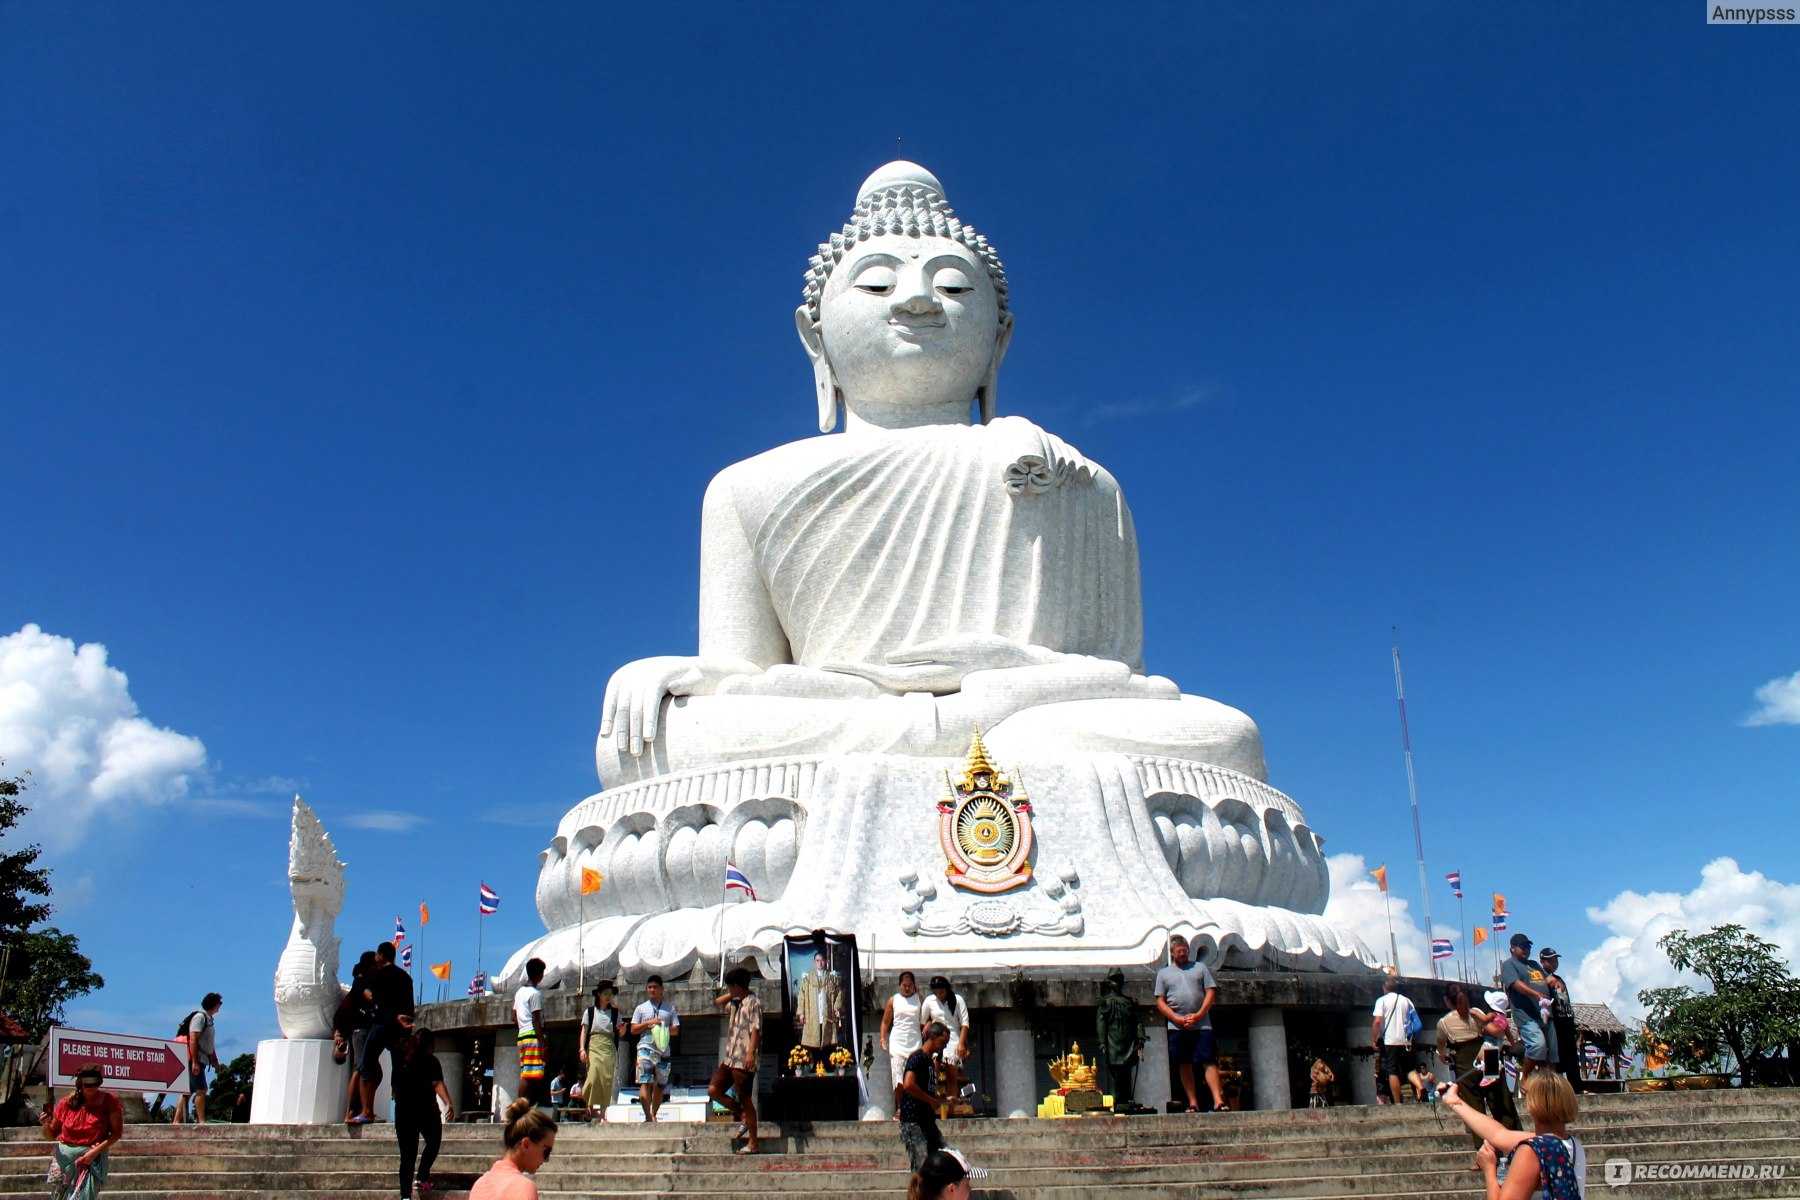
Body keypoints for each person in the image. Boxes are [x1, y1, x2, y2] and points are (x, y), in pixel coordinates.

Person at [1441, 1068, 1586, 1199]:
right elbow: (1498, 1134)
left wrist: (1489, 1169)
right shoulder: (1572, 1144)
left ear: (1532, 1105)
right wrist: (1455, 1102)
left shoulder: (1531, 1151)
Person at [1436, 981, 1520, 1138]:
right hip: (1490, 1053)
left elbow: (1441, 1045)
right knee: (1502, 1104)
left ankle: (1484, 1149)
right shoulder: (1476, 1012)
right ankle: (1515, 1142)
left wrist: (1442, 1055)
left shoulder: (1443, 1023)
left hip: (1464, 1061)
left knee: (1475, 1110)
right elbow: (1494, 1029)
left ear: (1447, 1000)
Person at [1154, 934, 1224, 1112]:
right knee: (1184, 1062)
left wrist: (1200, 1014)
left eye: (1185, 951)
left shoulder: (1200, 967)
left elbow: (1210, 992)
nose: (1183, 954)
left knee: (1208, 1059)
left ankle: (1218, 1100)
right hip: (1177, 1025)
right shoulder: (1163, 974)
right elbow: (1160, 1001)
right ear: (1172, 953)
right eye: (1179, 952)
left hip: (1202, 1024)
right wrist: (1175, 1018)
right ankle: (1193, 1102)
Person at [353, 941, 415, 1124]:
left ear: (380, 955)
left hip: (381, 1024)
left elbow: (359, 982)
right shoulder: (405, 977)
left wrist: (365, 991)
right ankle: (403, 1113)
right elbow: (409, 1008)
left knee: (366, 1066)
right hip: (400, 1029)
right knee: (399, 1072)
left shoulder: (378, 974)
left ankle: (366, 1111)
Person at [40, 1065, 122, 1200]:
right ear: (80, 1083)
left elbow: (116, 1134)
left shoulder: (109, 1102)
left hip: (90, 1158)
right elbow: (50, 1135)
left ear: (99, 1082)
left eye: (94, 1083)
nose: (91, 1087)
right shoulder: (66, 1103)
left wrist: (93, 1153)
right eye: (87, 1084)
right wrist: (45, 1124)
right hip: (64, 1160)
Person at [392, 1027, 454, 1200]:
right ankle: (422, 1175)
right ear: (429, 1045)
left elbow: (394, 1089)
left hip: (404, 1112)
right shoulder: (430, 1060)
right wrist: (448, 1103)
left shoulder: (401, 1059)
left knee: (407, 1156)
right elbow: (437, 1083)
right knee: (433, 1142)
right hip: (426, 1110)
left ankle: (406, 1195)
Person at [707, 966, 763, 1154]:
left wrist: (750, 1053)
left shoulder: (753, 1002)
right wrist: (732, 995)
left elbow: (756, 1030)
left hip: (744, 1057)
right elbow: (717, 1002)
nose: (729, 990)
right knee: (714, 1089)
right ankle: (742, 1115)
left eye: (731, 986)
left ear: (739, 986)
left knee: (746, 1098)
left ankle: (753, 1142)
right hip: (730, 1056)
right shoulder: (736, 1001)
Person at [471, 1097, 557, 1200]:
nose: (546, 1160)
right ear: (526, 1145)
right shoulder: (524, 1187)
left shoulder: (480, 1184)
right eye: (546, 1152)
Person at [1501, 933, 1556, 1081]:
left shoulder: (1534, 964)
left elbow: (1548, 977)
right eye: (1522, 946)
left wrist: (1554, 981)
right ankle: (1524, 1076)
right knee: (1537, 1045)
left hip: (1544, 1015)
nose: (1526, 949)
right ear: (1512, 948)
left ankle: (1548, 1087)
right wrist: (1536, 994)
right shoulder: (1509, 965)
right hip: (1526, 1016)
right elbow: (1516, 984)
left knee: (1550, 1056)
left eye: (1528, 946)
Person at [898, 1022, 951, 1172]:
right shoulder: (917, 1057)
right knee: (921, 1166)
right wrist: (931, 1100)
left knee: (940, 1160)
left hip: (927, 1121)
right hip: (914, 1121)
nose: (944, 1047)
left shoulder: (930, 1061)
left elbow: (929, 1093)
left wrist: (944, 1101)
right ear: (933, 1037)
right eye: (943, 1042)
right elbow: (908, 1084)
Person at [334, 951, 378, 1122]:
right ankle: (352, 1111)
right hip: (361, 1030)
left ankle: (364, 1108)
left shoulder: (360, 981)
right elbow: (368, 997)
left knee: (372, 1072)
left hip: (363, 1030)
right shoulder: (362, 982)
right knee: (360, 1069)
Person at [630, 975, 680, 1122]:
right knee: (644, 1081)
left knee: (660, 1085)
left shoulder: (669, 1008)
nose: (652, 990)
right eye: (649, 987)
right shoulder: (641, 1008)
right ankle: (647, 1116)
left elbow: (676, 1030)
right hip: (645, 1047)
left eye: (655, 987)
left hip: (663, 1049)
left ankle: (654, 1114)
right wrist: (649, 1023)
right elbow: (633, 1029)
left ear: (661, 989)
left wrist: (662, 1026)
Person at [920, 977, 971, 1114]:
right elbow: (923, 1021)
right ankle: (933, 1102)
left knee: (952, 1071)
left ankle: (952, 1102)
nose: (939, 994)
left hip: (954, 1037)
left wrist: (961, 1044)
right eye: (936, 992)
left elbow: (964, 1023)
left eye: (941, 991)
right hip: (936, 1037)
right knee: (933, 1070)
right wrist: (929, 1023)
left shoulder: (958, 1000)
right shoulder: (929, 1001)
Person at [1094, 968, 1142, 1112]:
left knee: (1126, 1073)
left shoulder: (1128, 1002)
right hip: (1113, 1043)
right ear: (1110, 982)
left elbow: (1137, 1021)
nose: (1117, 983)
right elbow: (1101, 1023)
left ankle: (1126, 1101)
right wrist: (1102, 1042)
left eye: (1119, 980)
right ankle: (1115, 1101)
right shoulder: (1106, 1002)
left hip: (1128, 1043)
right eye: (1115, 980)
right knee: (1115, 1073)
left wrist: (1140, 1037)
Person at [879, 971, 925, 1115]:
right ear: (899, 985)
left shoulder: (919, 999)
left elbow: (926, 1019)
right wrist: (882, 1038)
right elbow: (886, 1022)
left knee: (913, 1079)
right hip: (897, 1043)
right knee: (898, 1078)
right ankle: (900, 1107)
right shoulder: (893, 1000)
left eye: (909, 985)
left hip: (915, 1043)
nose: (906, 988)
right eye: (904, 985)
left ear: (913, 985)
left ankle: (915, 1108)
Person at [173, 993, 223, 1124]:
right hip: (195, 1059)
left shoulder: (209, 1019)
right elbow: (193, 1039)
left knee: (187, 1091)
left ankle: (176, 1121)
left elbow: (209, 1044)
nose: (220, 1006)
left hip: (201, 1058)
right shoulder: (200, 1018)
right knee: (201, 1090)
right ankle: (201, 1121)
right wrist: (195, 1061)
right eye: (220, 1003)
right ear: (214, 1004)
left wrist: (215, 1061)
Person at [579, 980, 625, 1121]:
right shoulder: (590, 1011)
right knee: (593, 1076)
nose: (608, 996)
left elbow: (621, 1032)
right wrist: (582, 1049)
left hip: (609, 1046)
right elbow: (584, 1031)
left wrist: (623, 1029)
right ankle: (590, 1107)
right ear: (598, 994)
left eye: (610, 994)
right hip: (594, 1045)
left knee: (606, 1080)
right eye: (605, 993)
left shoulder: (615, 1012)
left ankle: (603, 1113)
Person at [1370, 975, 1419, 1106]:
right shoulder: (1407, 1000)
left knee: (1392, 1071)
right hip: (1406, 1040)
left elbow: (1377, 1021)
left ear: (1384, 988)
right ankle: (1421, 1087)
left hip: (1390, 1041)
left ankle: (1397, 1102)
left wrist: (1374, 1039)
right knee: (1410, 1069)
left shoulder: (1381, 1000)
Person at [1539, 947, 1581, 1091]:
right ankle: (1558, 1090)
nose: (1554, 962)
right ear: (1543, 961)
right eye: (1551, 960)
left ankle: (1576, 1088)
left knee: (1572, 1058)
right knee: (1557, 1059)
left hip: (1567, 1021)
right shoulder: (1541, 979)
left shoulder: (1559, 979)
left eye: (1555, 959)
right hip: (1554, 1024)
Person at [514, 959, 547, 1106]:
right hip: (532, 1036)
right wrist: (542, 1041)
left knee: (529, 1073)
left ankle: (525, 1105)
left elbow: (513, 1017)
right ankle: (520, 1106)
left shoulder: (519, 992)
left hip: (522, 1035)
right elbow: (536, 1020)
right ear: (539, 974)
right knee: (528, 1075)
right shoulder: (535, 994)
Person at [796, 950, 844, 1048]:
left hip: (827, 1014)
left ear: (825, 962)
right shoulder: (807, 979)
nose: (820, 963)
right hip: (812, 1015)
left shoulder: (831, 978)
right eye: (817, 960)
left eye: (822, 960)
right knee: (813, 1046)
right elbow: (801, 997)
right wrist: (801, 1013)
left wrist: (836, 1007)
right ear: (814, 962)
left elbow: (839, 992)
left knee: (828, 1044)